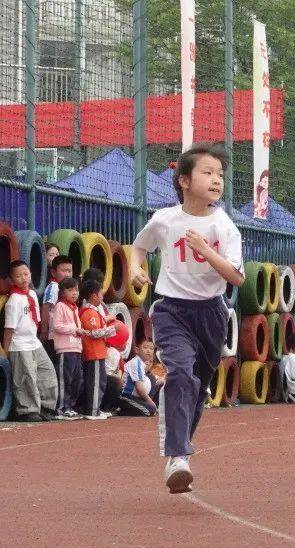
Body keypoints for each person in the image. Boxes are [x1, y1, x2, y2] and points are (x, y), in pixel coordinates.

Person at [130, 143, 244, 494]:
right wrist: (136, 270)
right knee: (179, 374)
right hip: (171, 310)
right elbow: (138, 247)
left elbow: (236, 278)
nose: (215, 180)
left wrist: (207, 251)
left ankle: (180, 452)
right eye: (207, 173)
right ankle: (177, 457)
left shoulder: (223, 226)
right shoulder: (164, 219)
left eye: (220, 175)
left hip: (211, 313)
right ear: (183, 180)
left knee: (198, 389)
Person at [3, 261, 58, 422]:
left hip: (33, 342)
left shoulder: (32, 294)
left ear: (31, 274)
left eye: (26, 274)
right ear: (12, 280)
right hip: (19, 345)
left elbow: (36, 321)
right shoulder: (13, 300)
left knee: (46, 372)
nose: (23, 278)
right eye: (18, 276)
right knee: (26, 377)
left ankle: (46, 406)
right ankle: (28, 410)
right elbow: (9, 329)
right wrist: (6, 351)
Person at [79, 280, 115, 420]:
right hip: (93, 352)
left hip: (98, 352)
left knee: (100, 381)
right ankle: (93, 410)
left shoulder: (94, 312)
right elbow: (93, 332)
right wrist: (112, 329)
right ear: (94, 296)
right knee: (95, 382)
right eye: (101, 294)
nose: (102, 297)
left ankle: (96, 408)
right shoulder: (89, 313)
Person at [52, 277, 85, 420]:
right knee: (65, 379)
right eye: (70, 290)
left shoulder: (75, 308)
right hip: (65, 348)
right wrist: (75, 329)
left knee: (77, 379)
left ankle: (70, 406)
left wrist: (81, 331)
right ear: (62, 292)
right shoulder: (60, 306)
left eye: (76, 290)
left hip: (76, 347)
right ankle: (62, 407)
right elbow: (57, 326)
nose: (74, 293)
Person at [40, 254, 74, 361]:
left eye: (69, 271)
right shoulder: (54, 287)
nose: (67, 274)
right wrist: (44, 331)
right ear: (54, 272)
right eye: (64, 271)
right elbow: (46, 307)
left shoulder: (68, 289)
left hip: (65, 338)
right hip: (53, 337)